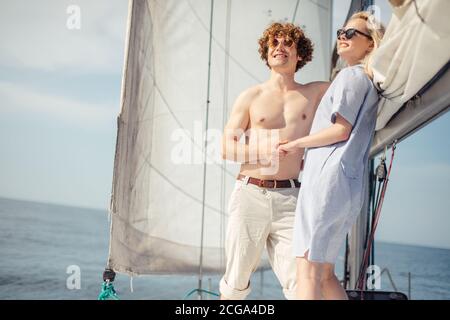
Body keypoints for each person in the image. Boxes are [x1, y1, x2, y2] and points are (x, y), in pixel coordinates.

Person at [277, 12, 385, 300]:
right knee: (324, 274)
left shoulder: (351, 76)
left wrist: (298, 143)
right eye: (341, 32)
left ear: (370, 44)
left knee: (307, 272)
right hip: (346, 187)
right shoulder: (369, 82)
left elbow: (340, 130)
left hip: (326, 183)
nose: (342, 37)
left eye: (351, 34)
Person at [219, 22, 329, 300]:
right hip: (250, 193)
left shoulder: (315, 92)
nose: (280, 48)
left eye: (287, 43)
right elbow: (225, 148)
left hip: (292, 198)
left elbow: (356, 80)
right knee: (235, 282)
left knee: (299, 282)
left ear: (300, 54)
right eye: (274, 44)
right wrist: (265, 150)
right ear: (267, 54)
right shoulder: (251, 96)